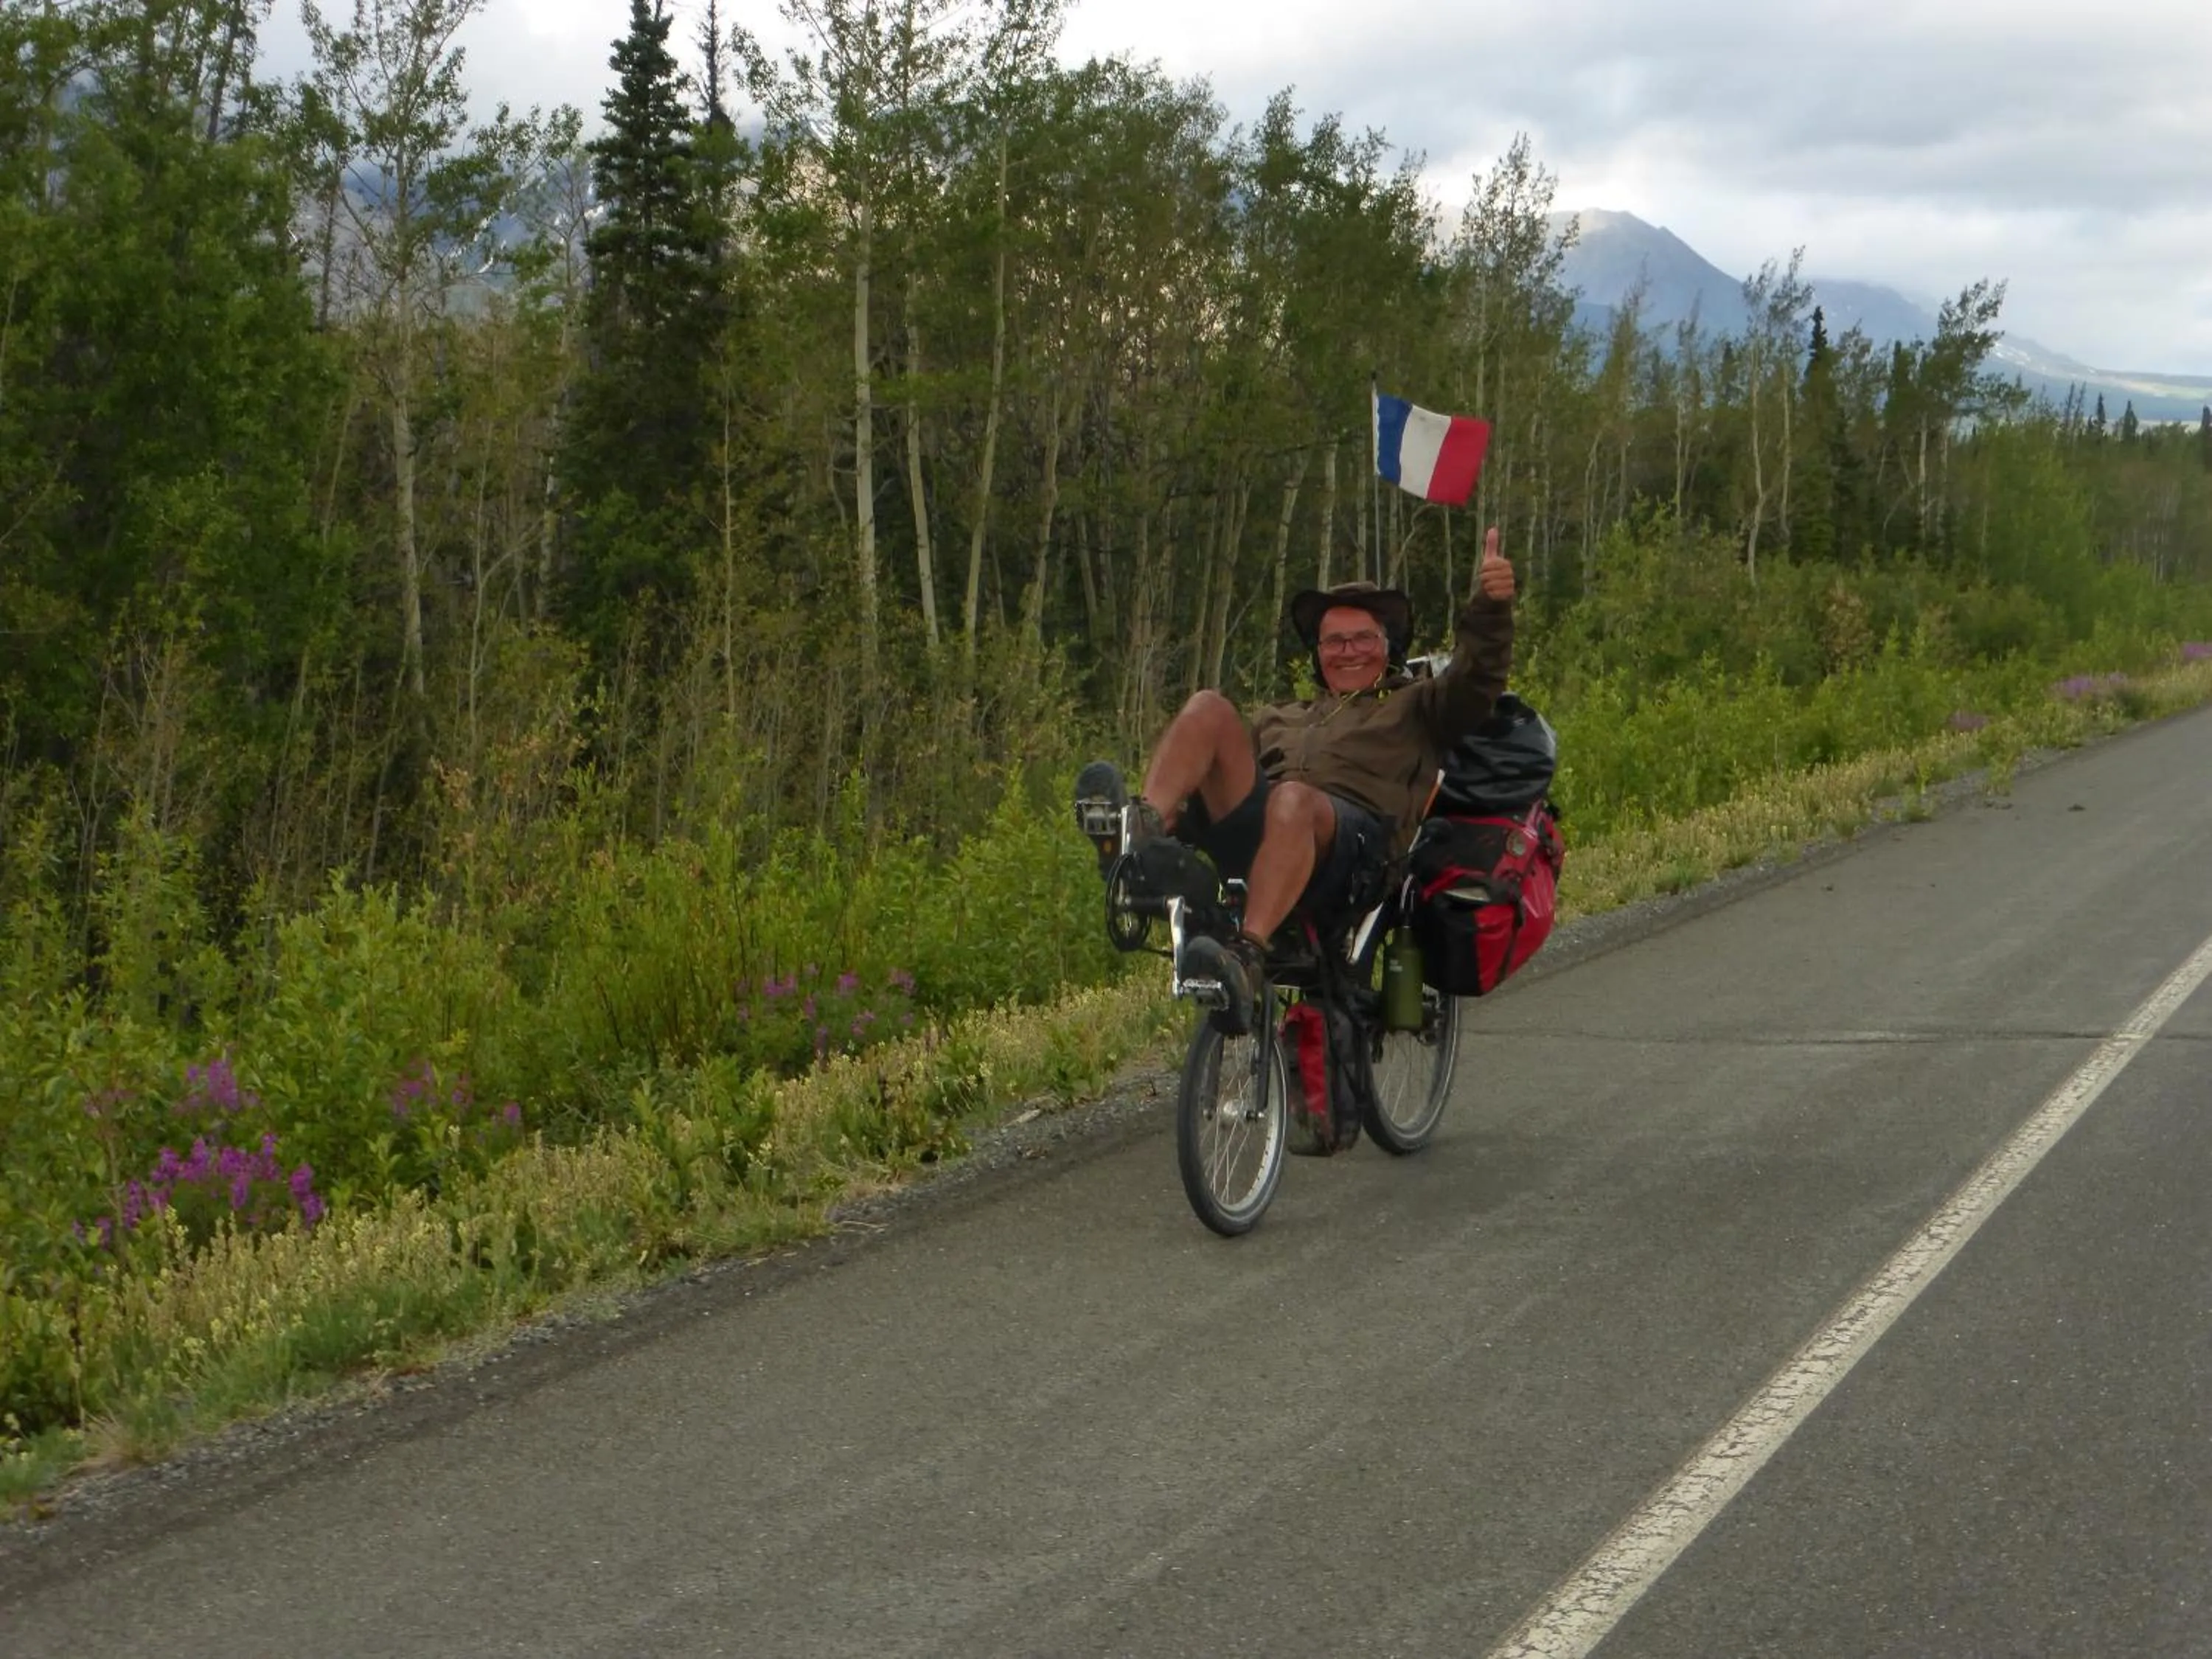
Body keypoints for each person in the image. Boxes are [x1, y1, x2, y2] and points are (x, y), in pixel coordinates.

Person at [1077, 527, 1517, 1032]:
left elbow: (1477, 682)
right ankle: (1139, 835)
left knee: (1292, 800)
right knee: (1209, 710)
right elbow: (1226, 789)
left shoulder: (1417, 705)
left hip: (1355, 853)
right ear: (1318, 653)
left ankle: (1247, 954)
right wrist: (1182, 822)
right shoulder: (1282, 717)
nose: (1347, 651)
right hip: (1271, 839)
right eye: (1334, 641)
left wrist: (1492, 609)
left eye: (1362, 639)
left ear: (1387, 647)